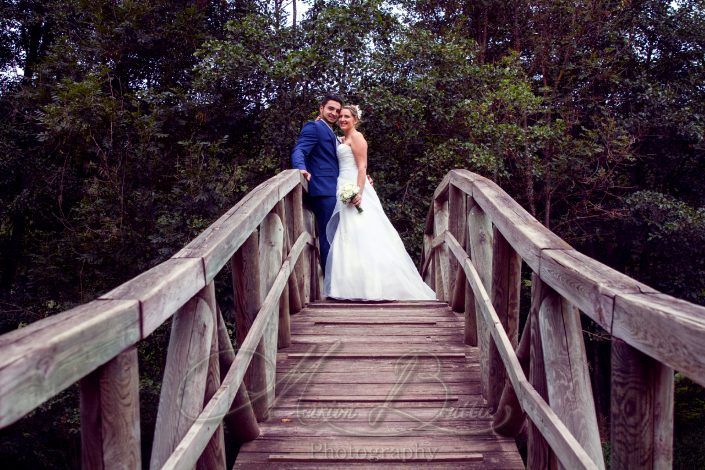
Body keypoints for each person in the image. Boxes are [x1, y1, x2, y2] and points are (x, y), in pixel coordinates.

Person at [323, 105, 436, 301]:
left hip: (355, 187)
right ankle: (348, 288)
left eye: (346, 116)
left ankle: (375, 287)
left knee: (364, 231)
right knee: (348, 233)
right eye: (340, 116)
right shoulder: (341, 139)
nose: (342, 119)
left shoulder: (358, 138)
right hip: (343, 186)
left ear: (355, 120)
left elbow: (362, 166)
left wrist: (358, 191)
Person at [290, 94, 344, 271]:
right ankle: (331, 284)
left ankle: (338, 280)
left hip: (336, 189)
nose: (334, 113)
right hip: (323, 190)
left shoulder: (332, 133)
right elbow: (300, 150)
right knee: (328, 236)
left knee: (337, 236)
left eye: (337, 110)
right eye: (330, 108)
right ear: (321, 108)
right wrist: (300, 167)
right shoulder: (314, 127)